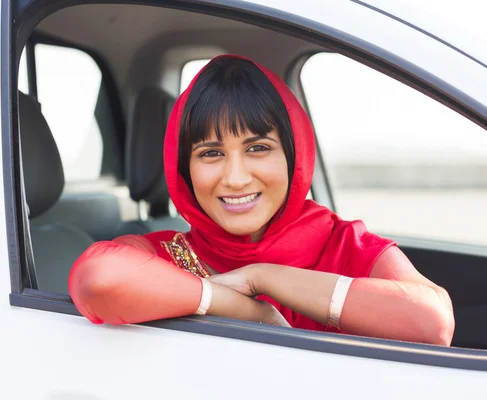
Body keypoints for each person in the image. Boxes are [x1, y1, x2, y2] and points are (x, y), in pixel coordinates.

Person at [69, 55, 455, 345]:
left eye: (257, 148)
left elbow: (431, 323)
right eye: (210, 153)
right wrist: (248, 310)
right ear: (183, 168)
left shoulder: (347, 247)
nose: (236, 179)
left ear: (293, 153)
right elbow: (100, 279)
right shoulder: (164, 257)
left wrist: (262, 276)